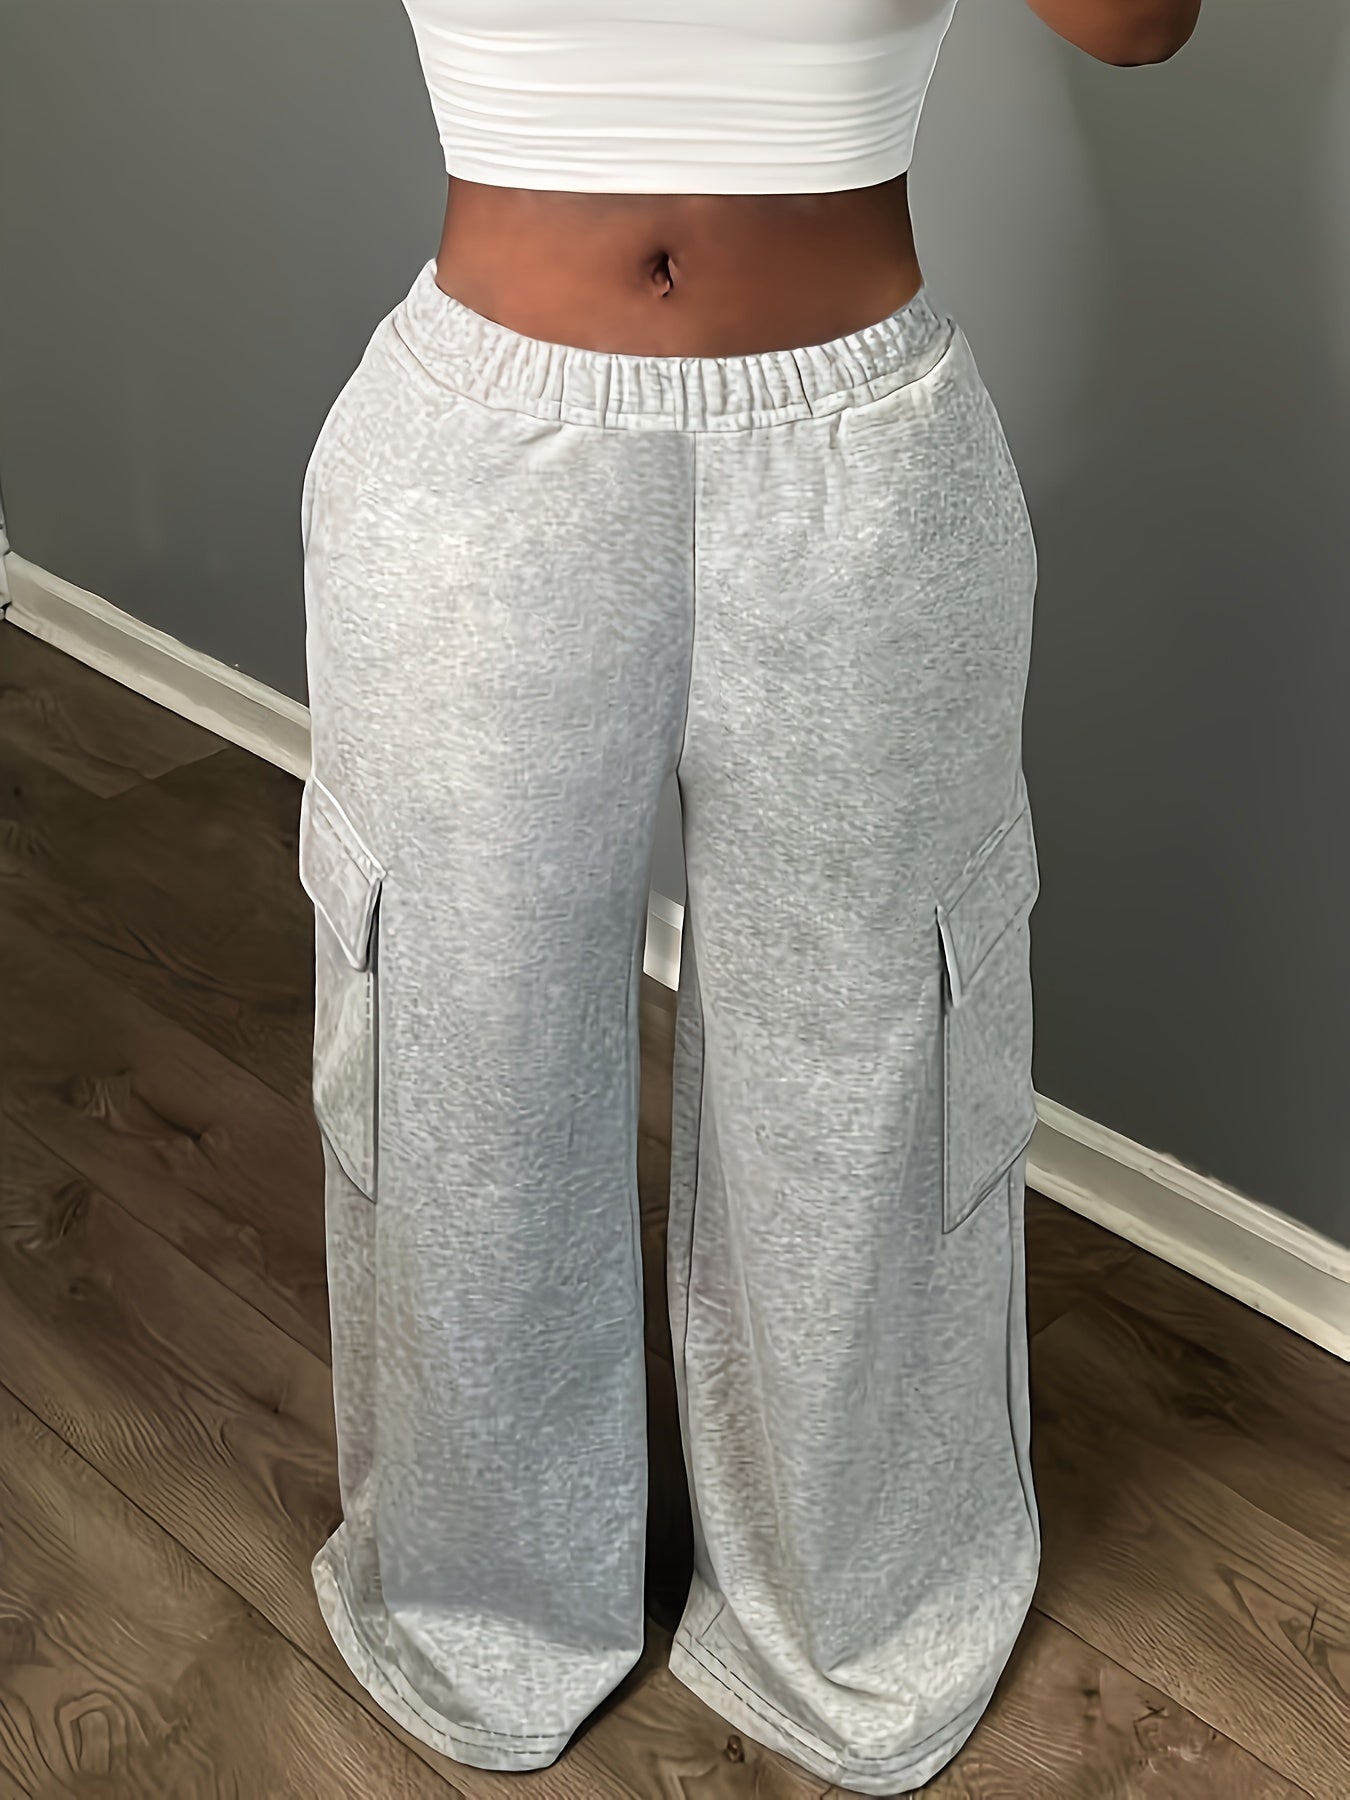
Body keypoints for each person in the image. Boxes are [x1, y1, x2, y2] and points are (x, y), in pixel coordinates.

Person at [296, 3, 1202, 1792]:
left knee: (871, 1074)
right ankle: (484, 1600)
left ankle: (858, 1608)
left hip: (863, 455)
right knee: (460, 1061)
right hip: (476, 454)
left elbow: (1136, 26)